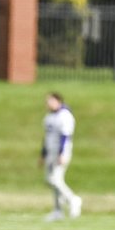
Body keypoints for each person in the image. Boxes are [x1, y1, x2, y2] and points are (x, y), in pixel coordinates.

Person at [40, 92, 82, 220]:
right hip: (51, 152)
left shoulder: (65, 115)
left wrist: (62, 153)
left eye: (51, 101)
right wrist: (43, 154)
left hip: (60, 152)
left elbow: (65, 135)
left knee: (55, 179)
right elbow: (46, 137)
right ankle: (58, 210)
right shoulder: (49, 117)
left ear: (58, 101)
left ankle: (73, 199)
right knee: (50, 180)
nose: (48, 104)